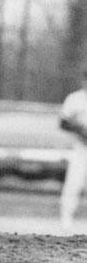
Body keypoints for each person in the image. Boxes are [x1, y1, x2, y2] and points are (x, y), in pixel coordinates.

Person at [59, 65, 87, 229]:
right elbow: (63, 122)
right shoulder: (75, 99)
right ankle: (66, 219)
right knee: (74, 183)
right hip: (80, 147)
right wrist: (80, 130)